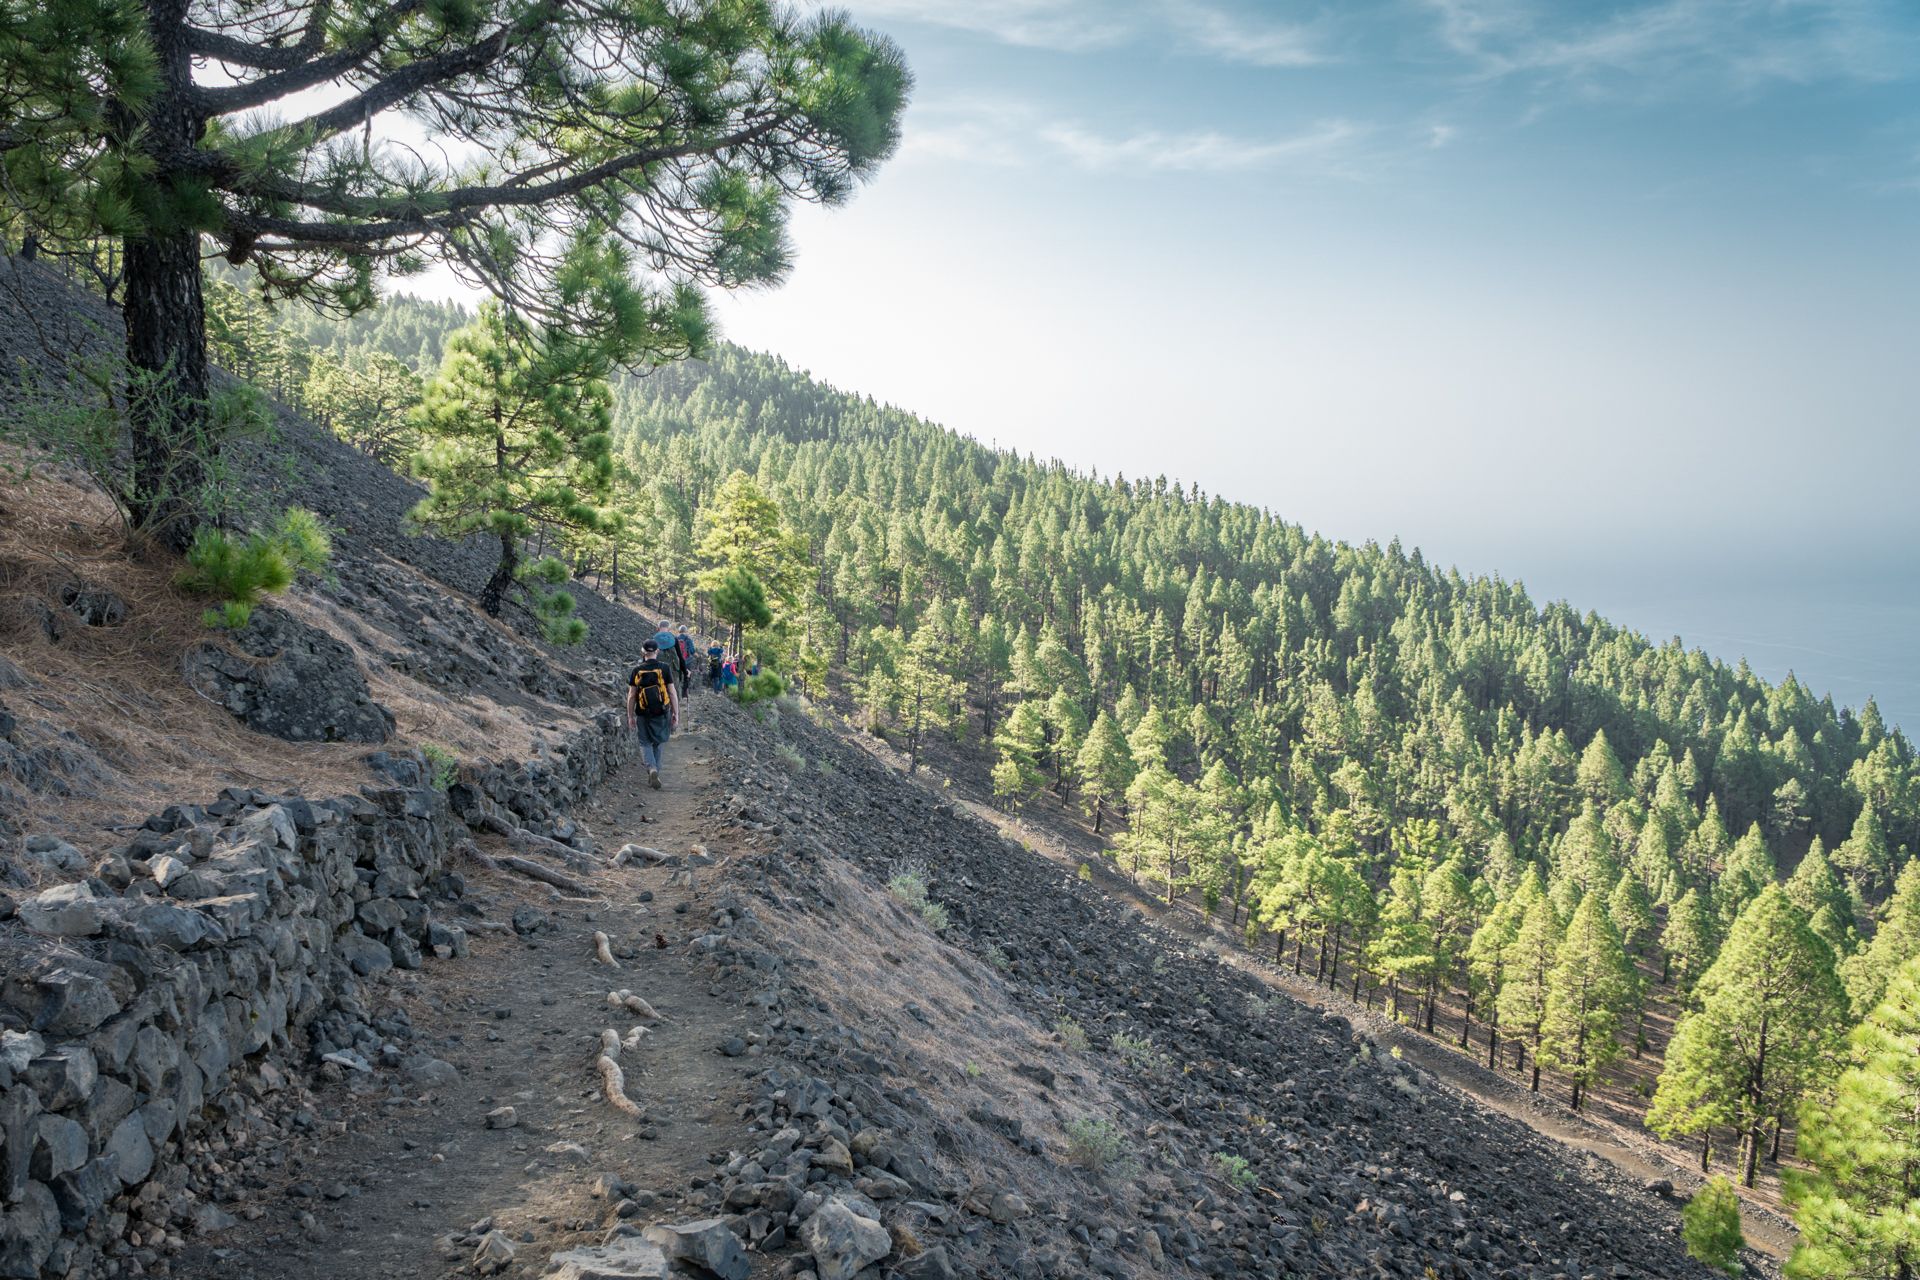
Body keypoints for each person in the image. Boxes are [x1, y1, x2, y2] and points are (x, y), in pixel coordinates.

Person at [625, 639, 679, 788]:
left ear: (643, 652)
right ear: (657, 652)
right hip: (662, 712)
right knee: (658, 741)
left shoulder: (637, 670)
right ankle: (656, 771)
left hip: (643, 713)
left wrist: (630, 716)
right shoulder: (664, 668)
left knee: (644, 742)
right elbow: (672, 693)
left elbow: (631, 695)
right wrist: (676, 714)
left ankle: (651, 768)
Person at [651, 619, 684, 691]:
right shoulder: (673, 639)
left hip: (656, 670)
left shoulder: (653, 639)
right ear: (669, 629)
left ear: (658, 628)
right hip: (671, 670)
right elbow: (678, 656)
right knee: (673, 691)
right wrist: (682, 670)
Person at [674, 625, 697, 696]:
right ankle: (685, 693)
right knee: (687, 675)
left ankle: (677, 691)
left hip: (677, 660)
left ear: (679, 631)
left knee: (678, 675)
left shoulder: (675, 638)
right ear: (686, 631)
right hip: (687, 661)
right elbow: (692, 651)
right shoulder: (688, 639)